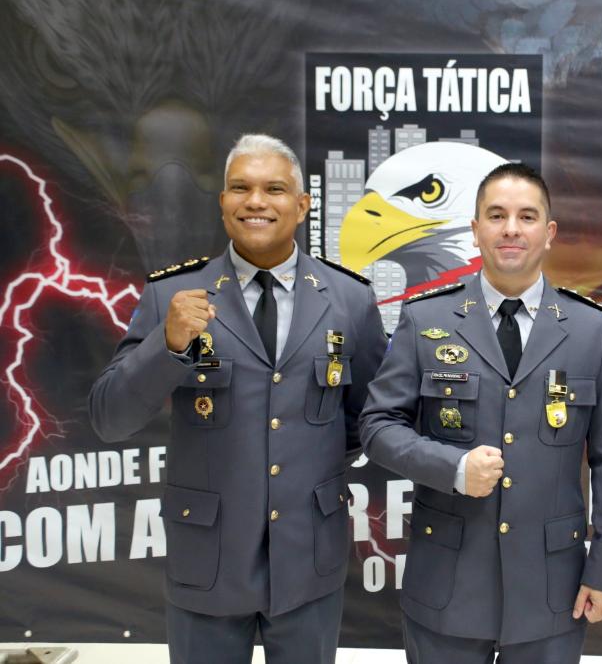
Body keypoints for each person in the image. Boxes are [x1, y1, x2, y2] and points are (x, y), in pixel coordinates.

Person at [89, 133, 387, 664]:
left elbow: (367, 419)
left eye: (274, 189)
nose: (255, 201)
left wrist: (306, 463)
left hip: (307, 557)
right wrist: (167, 344)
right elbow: (110, 417)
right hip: (208, 559)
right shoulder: (171, 295)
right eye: (240, 188)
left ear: (302, 204)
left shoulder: (350, 298)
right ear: (222, 201)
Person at [359, 163, 602, 663]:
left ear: (549, 233)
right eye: (496, 215)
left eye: (527, 217)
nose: (511, 229)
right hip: (447, 585)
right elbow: (377, 427)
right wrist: (453, 468)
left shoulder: (590, 329)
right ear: (475, 229)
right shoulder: (426, 318)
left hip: (552, 589)